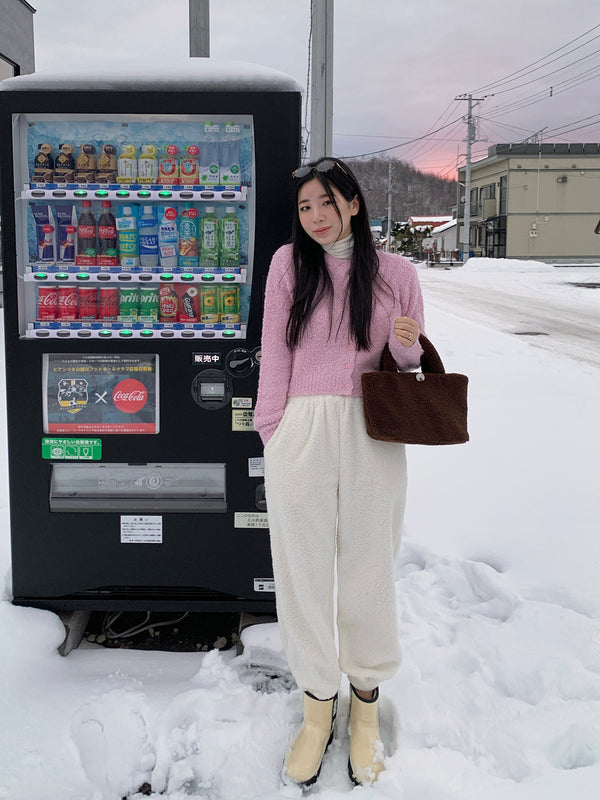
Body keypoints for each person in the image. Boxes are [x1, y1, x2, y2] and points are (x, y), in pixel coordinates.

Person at [253, 157, 425, 788]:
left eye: (326, 203)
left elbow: (405, 362)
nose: (315, 217)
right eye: (305, 208)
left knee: (369, 566)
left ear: (352, 202)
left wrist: (406, 343)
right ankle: (317, 707)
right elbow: (276, 350)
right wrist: (274, 428)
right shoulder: (287, 266)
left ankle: (366, 705)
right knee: (300, 569)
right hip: (300, 430)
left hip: (372, 434)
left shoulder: (398, 273)